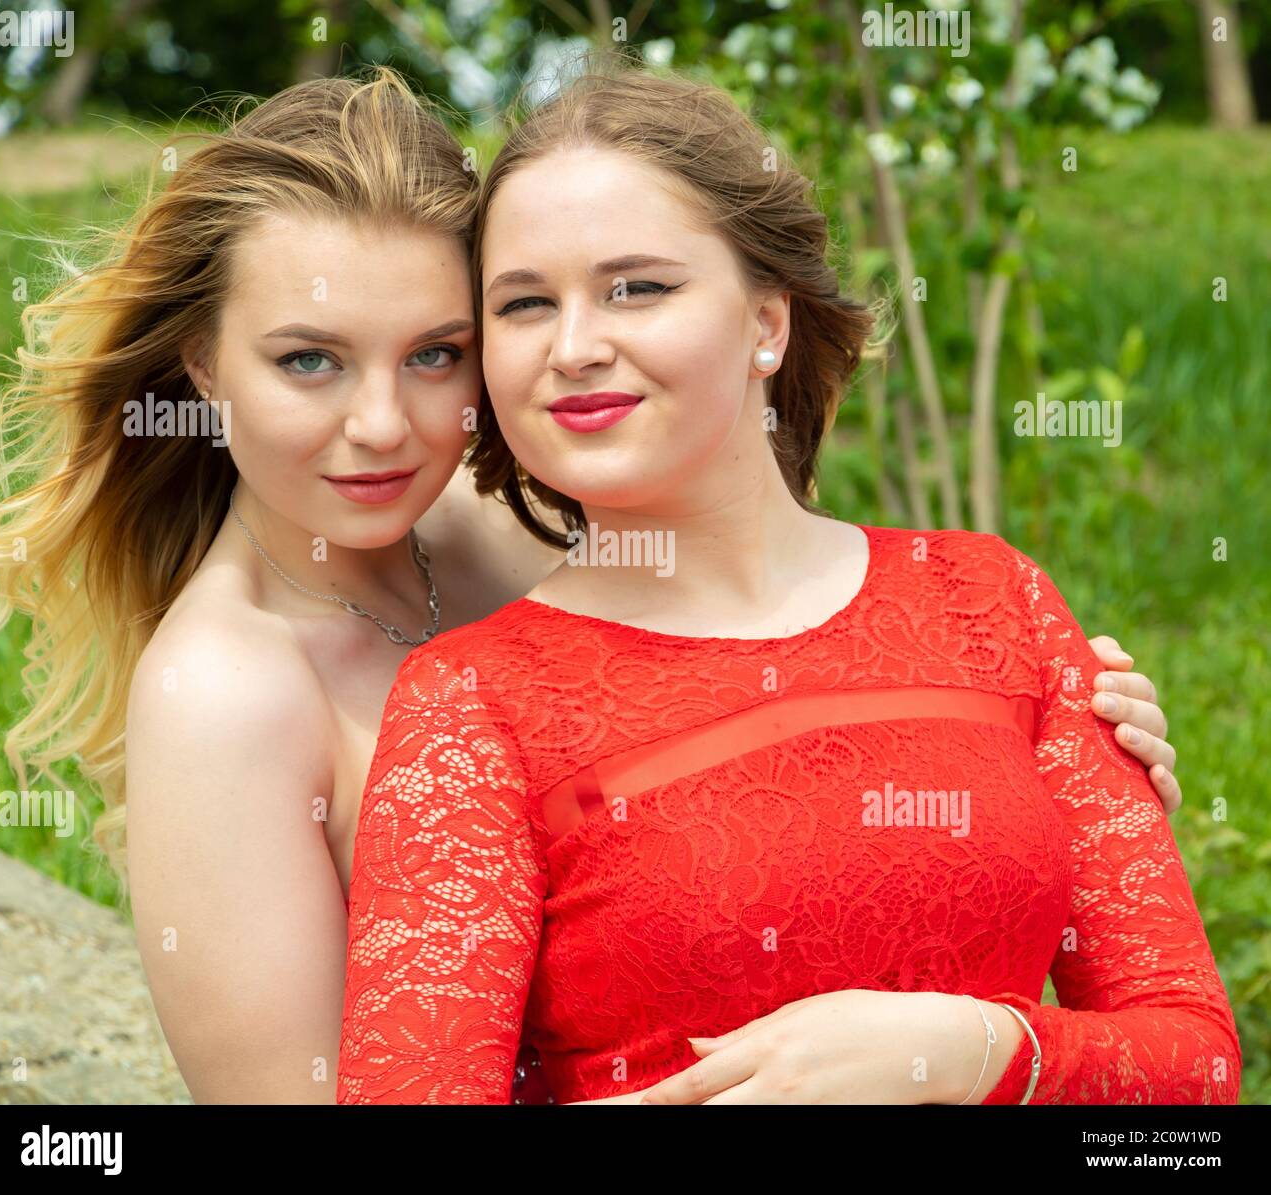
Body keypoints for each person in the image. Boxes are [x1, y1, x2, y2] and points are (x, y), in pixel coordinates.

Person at [336, 62, 1238, 1105]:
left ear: (767, 323)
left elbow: (1199, 1075)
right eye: (525, 304)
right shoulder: (473, 706)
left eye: (638, 286)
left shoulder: (994, 600)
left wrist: (975, 1049)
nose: (575, 347)